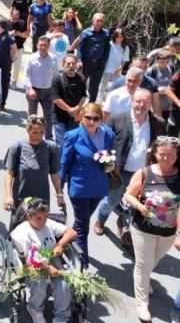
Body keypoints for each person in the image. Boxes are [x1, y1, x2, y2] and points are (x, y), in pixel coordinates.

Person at [95, 89, 165, 246]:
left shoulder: (158, 123)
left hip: (144, 174)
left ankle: (131, 232)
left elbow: (160, 147)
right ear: (132, 101)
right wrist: (106, 163)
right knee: (111, 201)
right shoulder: (117, 118)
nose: (142, 105)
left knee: (139, 204)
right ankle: (100, 220)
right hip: (120, 171)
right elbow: (104, 143)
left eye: (146, 102)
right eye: (139, 101)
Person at [123, 137, 180, 322]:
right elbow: (128, 195)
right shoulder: (145, 172)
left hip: (168, 232)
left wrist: (179, 232)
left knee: (154, 259)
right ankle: (142, 304)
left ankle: (144, 279)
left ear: (177, 155)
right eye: (162, 154)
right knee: (143, 264)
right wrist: (140, 208)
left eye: (170, 155)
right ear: (155, 153)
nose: (166, 158)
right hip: (143, 228)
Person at [59, 102, 116, 268]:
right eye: (88, 117)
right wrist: (59, 191)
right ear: (81, 117)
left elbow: (112, 156)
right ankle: (83, 265)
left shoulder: (108, 134)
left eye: (96, 118)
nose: (91, 121)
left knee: (80, 222)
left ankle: (63, 241)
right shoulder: (73, 136)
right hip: (80, 188)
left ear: (101, 119)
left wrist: (112, 164)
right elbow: (64, 164)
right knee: (83, 228)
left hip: (99, 187)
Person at [10, 198, 77, 323]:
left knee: (62, 285)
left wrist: (59, 244)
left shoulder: (48, 224)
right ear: (29, 216)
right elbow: (28, 261)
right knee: (40, 284)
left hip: (51, 259)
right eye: (39, 218)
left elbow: (72, 232)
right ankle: (35, 309)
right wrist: (47, 269)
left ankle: (61, 317)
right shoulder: (22, 233)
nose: (43, 221)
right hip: (31, 265)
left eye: (45, 217)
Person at [4, 116, 63, 210]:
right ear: (28, 130)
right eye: (34, 132)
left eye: (41, 132)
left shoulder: (51, 148)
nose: (38, 136)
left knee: (40, 224)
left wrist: (60, 195)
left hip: (42, 201)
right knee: (20, 224)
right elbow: (9, 173)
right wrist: (8, 196)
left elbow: (55, 174)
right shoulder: (17, 147)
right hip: (21, 199)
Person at [24, 37, 57, 140]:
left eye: (45, 45)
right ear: (37, 46)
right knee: (32, 116)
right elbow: (26, 74)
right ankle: (32, 135)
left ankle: (48, 137)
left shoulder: (53, 58)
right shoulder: (31, 58)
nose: (43, 47)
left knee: (48, 116)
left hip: (48, 92)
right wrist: (30, 89)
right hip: (34, 91)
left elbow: (55, 75)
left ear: (49, 46)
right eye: (41, 45)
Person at [51, 55, 87, 146]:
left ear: (76, 65)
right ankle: (59, 160)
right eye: (68, 63)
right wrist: (71, 111)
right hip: (59, 116)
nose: (71, 66)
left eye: (73, 63)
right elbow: (56, 99)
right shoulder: (57, 79)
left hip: (75, 118)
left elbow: (84, 96)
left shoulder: (82, 78)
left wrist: (78, 108)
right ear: (63, 65)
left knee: (72, 142)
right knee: (61, 143)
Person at [77, 13, 111, 102]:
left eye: (101, 21)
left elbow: (107, 48)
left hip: (99, 63)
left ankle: (91, 104)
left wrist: (104, 61)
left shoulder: (106, 33)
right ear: (93, 21)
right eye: (97, 20)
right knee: (81, 84)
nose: (99, 23)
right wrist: (79, 60)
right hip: (86, 62)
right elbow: (80, 47)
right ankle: (79, 104)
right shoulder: (85, 32)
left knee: (95, 86)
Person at [98, 28, 130, 103]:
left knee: (115, 87)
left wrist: (119, 69)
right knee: (102, 86)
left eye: (121, 37)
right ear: (115, 37)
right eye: (118, 37)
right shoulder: (109, 45)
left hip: (117, 70)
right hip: (106, 69)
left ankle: (113, 103)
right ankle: (99, 102)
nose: (120, 39)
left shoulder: (125, 48)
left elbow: (124, 60)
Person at [0, 19, 17, 109]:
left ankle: (3, 102)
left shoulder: (9, 36)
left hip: (4, 63)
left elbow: (14, 50)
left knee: (4, 83)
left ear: (1, 26)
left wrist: (10, 60)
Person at [147, 49, 175, 121]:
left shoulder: (171, 68)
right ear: (156, 60)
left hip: (170, 106)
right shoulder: (152, 71)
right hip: (156, 107)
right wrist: (157, 90)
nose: (165, 64)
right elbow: (145, 88)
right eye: (162, 62)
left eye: (167, 62)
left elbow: (175, 84)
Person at [7, 9, 29, 90]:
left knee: (17, 66)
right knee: (6, 66)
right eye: (14, 18)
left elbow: (26, 35)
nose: (15, 20)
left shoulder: (22, 23)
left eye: (17, 18)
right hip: (8, 48)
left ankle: (14, 82)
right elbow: (2, 35)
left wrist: (19, 33)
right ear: (11, 16)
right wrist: (10, 33)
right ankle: (6, 81)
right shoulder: (7, 23)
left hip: (19, 47)